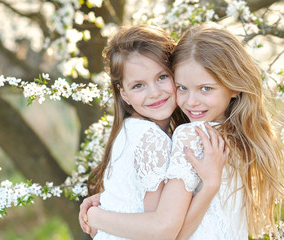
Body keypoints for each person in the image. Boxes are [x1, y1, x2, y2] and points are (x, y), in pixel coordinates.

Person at [80, 23, 284, 239]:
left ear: (235, 85)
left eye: (205, 88)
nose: (191, 102)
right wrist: (107, 201)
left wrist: (96, 216)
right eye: (182, 87)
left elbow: (166, 232)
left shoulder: (191, 136)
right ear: (123, 92)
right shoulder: (246, 138)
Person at [83, 24, 228, 240]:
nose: (154, 92)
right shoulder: (151, 139)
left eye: (162, 77)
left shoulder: (131, 130)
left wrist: (98, 210)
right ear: (124, 95)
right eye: (138, 85)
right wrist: (94, 216)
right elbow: (158, 228)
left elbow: (131, 200)